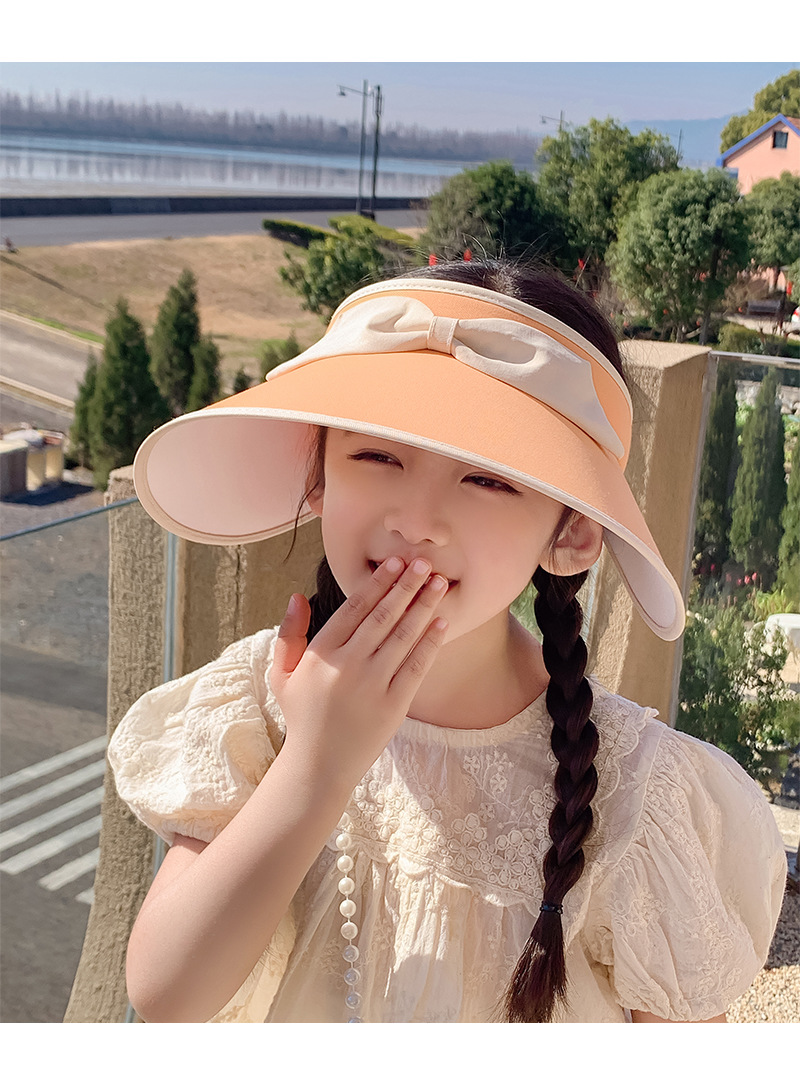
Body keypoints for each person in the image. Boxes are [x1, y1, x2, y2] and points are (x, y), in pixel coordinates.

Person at [108, 259, 786, 1024]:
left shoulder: (635, 790)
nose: (416, 521)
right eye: (378, 454)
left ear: (571, 530)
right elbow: (166, 995)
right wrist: (316, 766)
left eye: (489, 478)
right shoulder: (258, 704)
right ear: (319, 475)